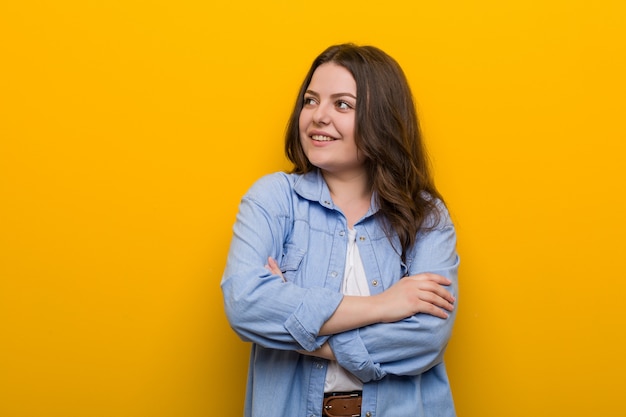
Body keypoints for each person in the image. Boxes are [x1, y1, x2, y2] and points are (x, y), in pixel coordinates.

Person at [221, 43, 459, 417]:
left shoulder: (426, 215)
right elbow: (245, 303)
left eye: (342, 104)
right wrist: (384, 305)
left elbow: (426, 337)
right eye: (311, 101)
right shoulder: (273, 200)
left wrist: (305, 339)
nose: (318, 116)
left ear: (381, 118)